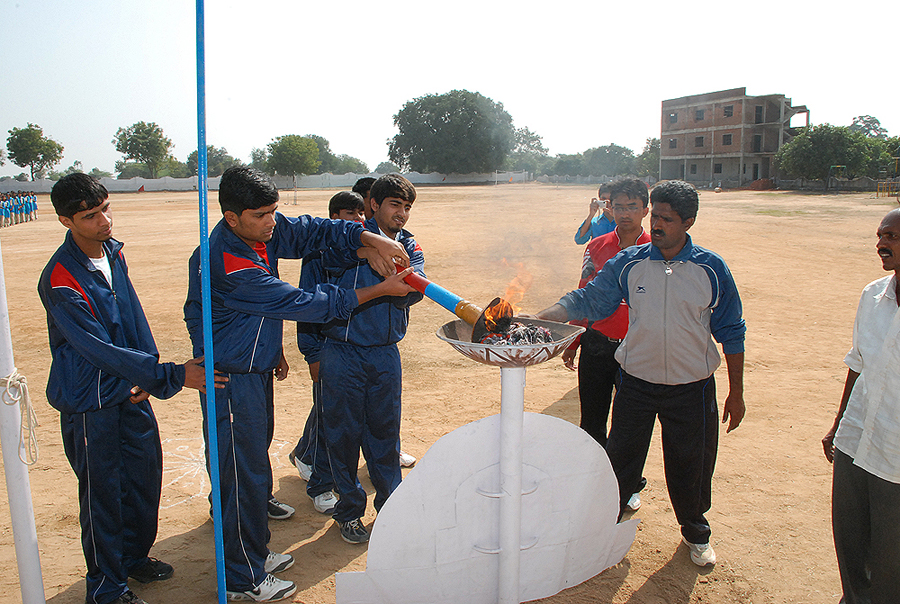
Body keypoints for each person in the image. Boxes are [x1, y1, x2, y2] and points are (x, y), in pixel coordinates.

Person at [183, 166, 413, 602]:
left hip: (253, 372)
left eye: (274, 213)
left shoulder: (257, 231)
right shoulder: (230, 263)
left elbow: (309, 231)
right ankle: (242, 577)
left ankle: (253, 552)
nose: (273, 224)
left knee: (254, 472)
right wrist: (378, 289)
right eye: (263, 216)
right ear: (232, 218)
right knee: (240, 476)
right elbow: (303, 302)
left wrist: (369, 239)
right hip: (230, 380)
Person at [536, 179, 745, 567]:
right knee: (620, 460)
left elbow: (732, 331)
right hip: (636, 383)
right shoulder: (629, 263)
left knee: (690, 465)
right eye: (658, 216)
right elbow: (589, 299)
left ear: (689, 222)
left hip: (692, 388)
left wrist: (736, 391)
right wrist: (543, 316)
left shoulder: (711, 269)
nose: (659, 225)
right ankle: (601, 527)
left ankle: (696, 533)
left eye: (667, 219)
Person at [37, 173, 225, 604]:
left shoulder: (114, 253)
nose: (104, 220)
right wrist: (168, 376)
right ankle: (106, 586)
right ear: (66, 221)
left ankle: (134, 558)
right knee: (104, 493)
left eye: (105, 208)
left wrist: (145, 376)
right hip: (92, 399)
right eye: (90, 216)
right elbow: (95, 347)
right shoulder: (61, 278)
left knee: (143, 479)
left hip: (131, 389)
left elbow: (133, 321)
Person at [306, 174, 424, 545]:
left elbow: (416, 287)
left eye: (406, 207)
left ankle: (392, 508)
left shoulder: (409, 244)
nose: (401, 214)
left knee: (385, 436)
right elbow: (318, 272)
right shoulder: (344, 238)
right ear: (373, 204)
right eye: (394, 205)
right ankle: (349, 512)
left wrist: (401, 285)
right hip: (342, 352)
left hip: (385, 355)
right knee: (342, 436)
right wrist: (365, 256)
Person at [822, 208, 900, 604]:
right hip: (856, 440)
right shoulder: (873, 294)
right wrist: (839, 423)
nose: (881, 244)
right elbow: (858, 365)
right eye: (880, 235)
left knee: (890, 557)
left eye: (892, 237)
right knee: (849, 537)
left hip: (894, 454)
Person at [561, 178, 651, 510]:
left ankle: (630, 484)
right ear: (608, 207)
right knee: (592, 419)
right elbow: (584, 294)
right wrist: (574, 339)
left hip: (639, 347)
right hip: (597, 345)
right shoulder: (596, 246)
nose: (624, 213)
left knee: (632, 423)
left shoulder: (656, 251)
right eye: (617, 206)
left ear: (645, 209)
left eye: (632, 207)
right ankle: (594, 479)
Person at [289, 191, 367, 516]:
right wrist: (313, 354)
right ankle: (320, 484)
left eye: (361, 214)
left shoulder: (364, 249)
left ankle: (303, 454)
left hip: (353, 350)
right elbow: (307, 307)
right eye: (351, 214)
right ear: (335, 216)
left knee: (335, 411)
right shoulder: (318, 253)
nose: (358, 221)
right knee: (327, 414)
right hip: (327, 348)